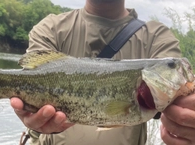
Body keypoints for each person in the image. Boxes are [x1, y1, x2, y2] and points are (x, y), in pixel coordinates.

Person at [10, 0, 195, 144]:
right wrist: (28, 110)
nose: (174, 67)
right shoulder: (49, 29)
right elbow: (32, 74)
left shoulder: (157, 38)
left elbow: (180, 96)